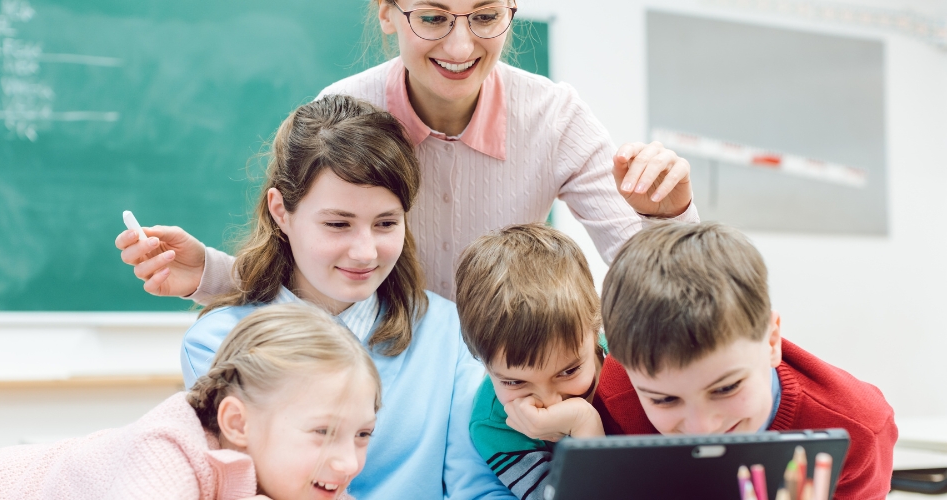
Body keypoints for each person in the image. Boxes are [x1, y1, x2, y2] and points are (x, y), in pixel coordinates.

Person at [115, 0, 699, 302]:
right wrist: (210, 274)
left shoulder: (554, 117)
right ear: (389, 13)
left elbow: (662, 279)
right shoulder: (342, 112)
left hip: (510, 379)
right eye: (433, 17)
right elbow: (308, 262)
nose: (461, 43)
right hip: (379, 379)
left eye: (488, 16)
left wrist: (669, 216)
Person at [181, 95, 514, 499]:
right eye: (338, 224)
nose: (365, 252)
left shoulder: (451, 333)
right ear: (281, 211)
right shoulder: (218, 342)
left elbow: (479, 491)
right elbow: (241, 488)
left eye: (386, 223)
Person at [0, 303, 379, 500]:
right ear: (237, 423)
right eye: (323, 432)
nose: (348, 463)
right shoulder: (167, 450)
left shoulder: (311, 484)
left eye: (362, 435)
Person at [593, 222, 897, 500]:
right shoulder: (618, 395)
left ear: (771, 341)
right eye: (664, 400)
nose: (703, 427)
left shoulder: (858, 432)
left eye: (725, 389)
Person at [454, 223, 606, 500]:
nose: (550, 402)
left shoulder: (631, 360)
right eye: (514, 381)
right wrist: (586, 426)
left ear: (596, 330)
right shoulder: (495, 426)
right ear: (483, 363)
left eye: (569, 371)